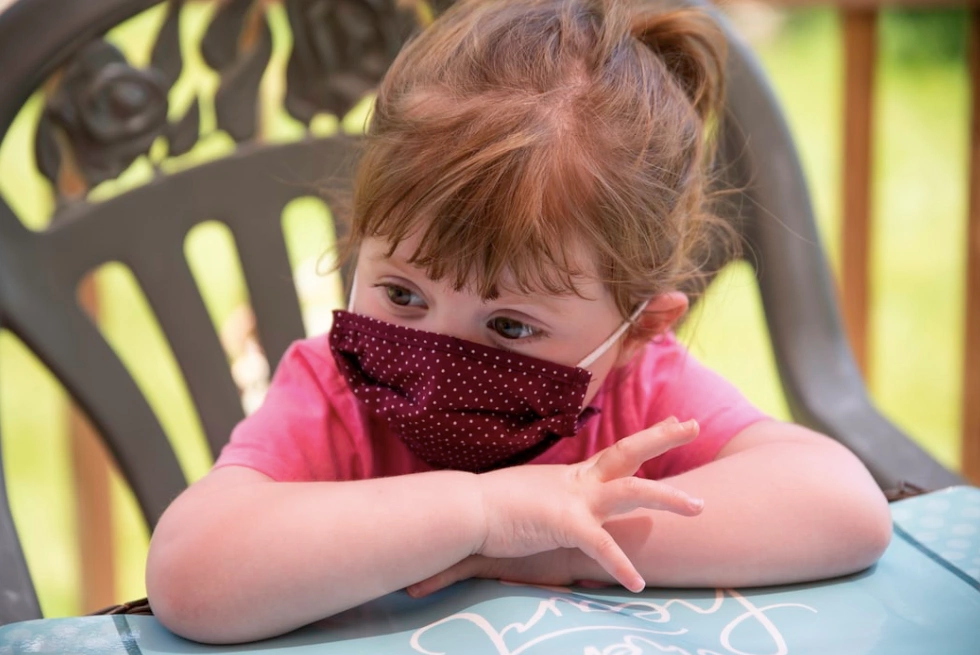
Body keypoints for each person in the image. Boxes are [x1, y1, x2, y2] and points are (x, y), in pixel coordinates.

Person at [145, 0, 892, 644]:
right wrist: (479, 512)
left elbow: (841, 506)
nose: (435, 352)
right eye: (402, 294)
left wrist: (562, 544)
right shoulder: (331, 395)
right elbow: (189, 573)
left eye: (508, 326)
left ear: (638, 330)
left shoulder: (641, 393)